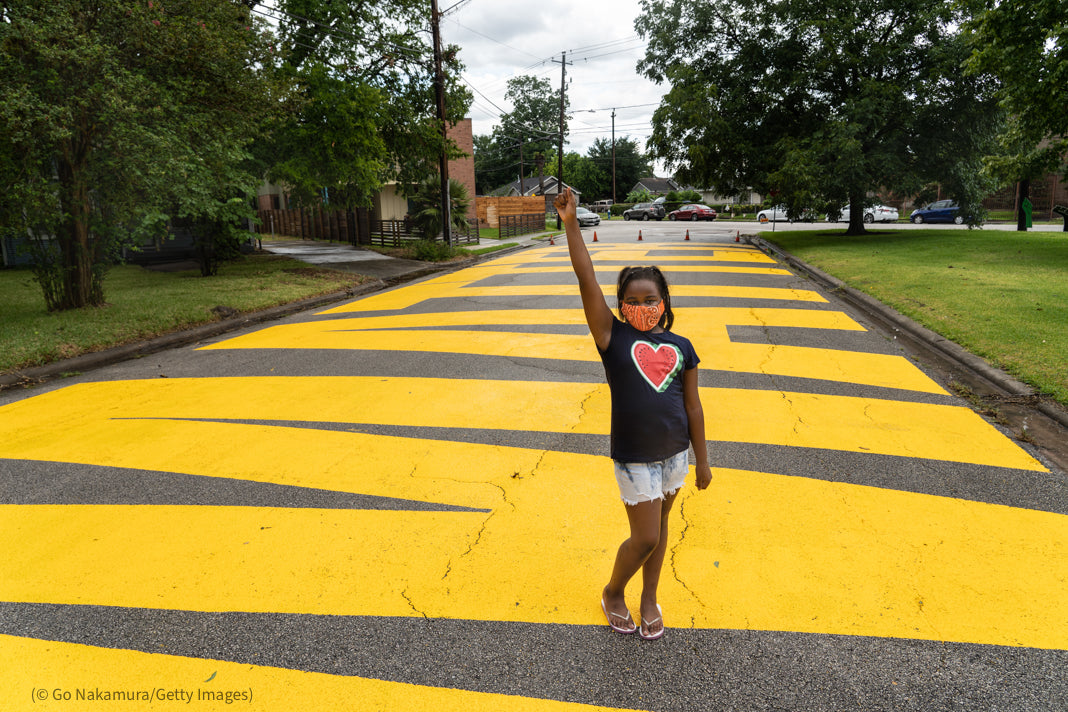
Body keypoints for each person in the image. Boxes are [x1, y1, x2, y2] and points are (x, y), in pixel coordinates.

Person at [553, 187, 713, 641]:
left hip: (674, 455)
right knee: (644, 537)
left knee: (661, 531)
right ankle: (614, 591)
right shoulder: (611, 337)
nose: (641, 307)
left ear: (664, 302)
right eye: (632, 301)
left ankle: (649, 598)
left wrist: (701, 460)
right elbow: (586, 276)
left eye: (650, 300)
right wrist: (569, 223)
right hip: (634, 456)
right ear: (621, 305)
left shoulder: (683, 347)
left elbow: (693, 406)